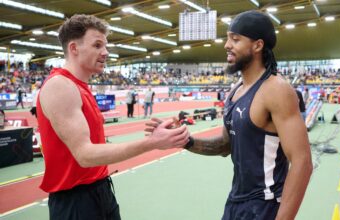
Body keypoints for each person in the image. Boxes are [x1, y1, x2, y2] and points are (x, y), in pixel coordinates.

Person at [146, 10, 312, 220]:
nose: (226, 45)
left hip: (266, 206)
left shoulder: (276, 90)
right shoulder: (236, 89)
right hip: (236, 202)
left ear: (258, 45)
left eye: (235, 39)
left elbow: (302, 161)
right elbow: (225, 145)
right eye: (227, 38)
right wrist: (183, 140)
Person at [37, 14, 189, 220]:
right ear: (74, 48)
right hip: (76, 201)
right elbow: (85, 155)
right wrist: (152, 143)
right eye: (98, 45)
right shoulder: (60, 86)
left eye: (105, 46)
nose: (106, 52)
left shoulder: (80, 86)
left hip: (100, 190)